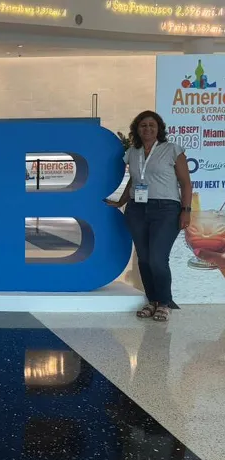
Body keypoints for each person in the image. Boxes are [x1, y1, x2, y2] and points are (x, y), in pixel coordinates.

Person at [106, 111, 192, 322]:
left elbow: (185, 183)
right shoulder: (133, 152)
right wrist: (121, 202)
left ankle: (165, 302)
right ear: (137, 129)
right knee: (144, 259)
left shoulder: (173, 150)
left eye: (152, 125)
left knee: (157, 258)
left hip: (166, 209)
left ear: (159, 128)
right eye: (143, 125)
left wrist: (186, 210)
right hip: (137, 209)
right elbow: (134, 181)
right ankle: (152, 301)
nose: (147, 129)